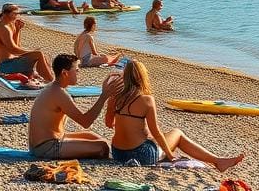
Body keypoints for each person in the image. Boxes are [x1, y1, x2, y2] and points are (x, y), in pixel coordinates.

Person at [105, 59, 245, 169]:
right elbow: (157, 132)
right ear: (142, 77)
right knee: (177, 133)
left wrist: (127, 123)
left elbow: (108, 124)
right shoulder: (146, 100)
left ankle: (218, 160)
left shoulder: (114, 97)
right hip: (142, 155)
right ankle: (218, 161)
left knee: (155, 138)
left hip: (118, 153)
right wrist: (170, 155)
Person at [28, 53, 121, 160]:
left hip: (48, 141)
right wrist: (104, 96)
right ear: (65, 73)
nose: (79, 73)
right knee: (102, 147)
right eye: (76, 70)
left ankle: (115, 154)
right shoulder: (58, 93)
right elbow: (85, 122)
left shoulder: (54, 88)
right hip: (45, 148)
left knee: (92, 136)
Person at [0, 3, 54, 81]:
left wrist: (18, 30)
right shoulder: (3, 28)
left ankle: (47, 79)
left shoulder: (9, 25)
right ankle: (51, 81)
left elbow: (16, 46)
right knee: (38, 54)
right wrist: (32, 52)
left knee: (41, 55)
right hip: (6, 66)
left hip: (11, 62)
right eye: (15, 14)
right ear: (6, 14)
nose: (17, 16)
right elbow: (13, 50)